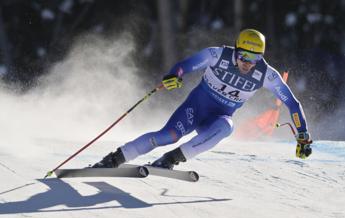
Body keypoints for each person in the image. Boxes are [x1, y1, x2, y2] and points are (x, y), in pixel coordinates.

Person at [92, 29, 312, 169]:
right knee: (167, 135)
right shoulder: (217, 55)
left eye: (255, 58)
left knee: (228, 126)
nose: (248, 63)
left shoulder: (266, 74)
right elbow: (183, 66)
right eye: (244, 56)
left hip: (217, 118)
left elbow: (293, 103)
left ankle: (171, 159)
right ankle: (114, 159)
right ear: (236, 50)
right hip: (195, 108)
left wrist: (303, 135)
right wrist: (174, 76)